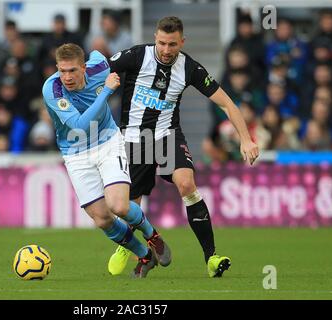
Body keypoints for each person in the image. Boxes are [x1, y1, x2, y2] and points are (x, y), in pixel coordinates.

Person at [108, 16, 259, 277]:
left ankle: (211, 257)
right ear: (155, 37)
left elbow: (227, 104)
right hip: (134, 138)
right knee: (130, 203)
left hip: (167, 136)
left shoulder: (190, 68)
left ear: (182, 41)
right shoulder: (135, 56)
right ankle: (128, 244)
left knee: (187, 184)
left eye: (173, 44)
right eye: (163, 43)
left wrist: (246, 139)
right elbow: (97, 68)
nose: (167, 50)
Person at [42, 43, 171, 278]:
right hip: (75, 153)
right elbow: (80, 126)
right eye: (62, 71)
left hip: (108, 142)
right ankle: (144, 255)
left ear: (84, 67)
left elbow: (111, 57)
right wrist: (106, 92)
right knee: (102, 219)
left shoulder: (100, 65)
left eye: (72, 70)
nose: (67, 77)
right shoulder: (52, 89)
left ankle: (153, 236)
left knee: (119, 206)